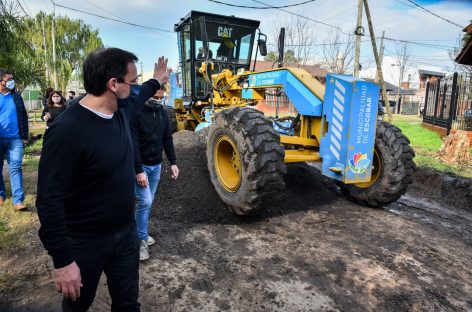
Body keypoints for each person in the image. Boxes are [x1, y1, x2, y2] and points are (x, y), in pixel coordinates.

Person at [36, 48, 170, 311]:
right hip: (85, 244)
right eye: (131, 82)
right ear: (113, 84)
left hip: (126, 233)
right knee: (77, 307)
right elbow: (49, 201)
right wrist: (63, 261)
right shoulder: (66, 131)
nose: (136, 88)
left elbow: (142, 93)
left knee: (128, 305)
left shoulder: (120, 110)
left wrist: (156, 80)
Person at [130, 88, 179, 261]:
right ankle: (140, 240)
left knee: (147, 203)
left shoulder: (162, 113)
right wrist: (138, 170)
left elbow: (167, 138)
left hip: (156, 166)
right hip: (141, 166)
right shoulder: (136, 113)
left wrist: (173, 162)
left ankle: (138, 232)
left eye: (160, 97)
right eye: (154, 97)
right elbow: (133, 144)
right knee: (145, 202)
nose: (157, 100)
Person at [0, 68, 28, 211]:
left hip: (15, 139)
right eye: (9, 79)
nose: (12, 81)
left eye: (12, 79)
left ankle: (18, 200)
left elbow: (23, 116)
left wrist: (24, 136)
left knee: (16, 168)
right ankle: (1, 194)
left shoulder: (16, 97)